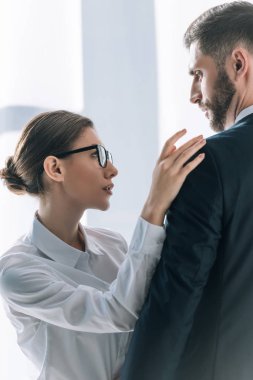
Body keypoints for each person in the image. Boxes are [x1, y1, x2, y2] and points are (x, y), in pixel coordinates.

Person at [0, 110, 205, 380]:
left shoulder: (112, 244)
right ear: (55, 168)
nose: (113, 170)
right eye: (98, 156)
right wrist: (154, 205)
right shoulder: (16, 271)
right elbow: (118, 313)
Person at [121, 2, 253, 380]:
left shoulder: (208, 164)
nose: (194, 94)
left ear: (238, 64)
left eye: (198, 74)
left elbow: (174, 302)